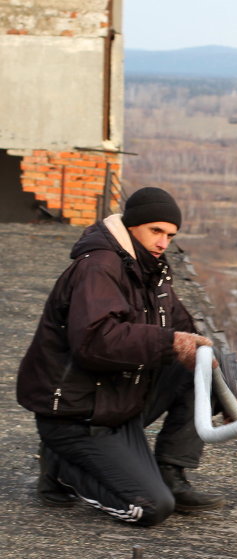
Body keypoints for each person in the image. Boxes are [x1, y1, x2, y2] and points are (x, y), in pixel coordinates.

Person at [17, 187, 224, 525]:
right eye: (155, 231)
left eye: (170, 235)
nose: (163, 243)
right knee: (153, 508)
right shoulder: (99, 267)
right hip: (76, 414)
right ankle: (61, 466)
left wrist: (230, 398)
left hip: (116, 400)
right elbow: (95, 341)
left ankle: (170, 471)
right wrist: (170, 342)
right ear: (131, 227)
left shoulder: (151, 269)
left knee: (205, 361)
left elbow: (185, 331)